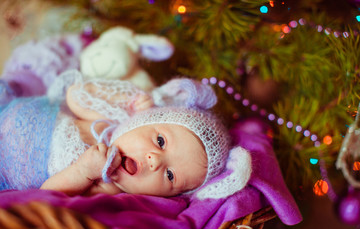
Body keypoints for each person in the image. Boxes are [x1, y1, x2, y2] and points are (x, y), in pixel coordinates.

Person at [1, 69, 253, 200]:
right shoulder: (108, 123)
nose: (155, 160)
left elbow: (47, 195)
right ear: (142, 122)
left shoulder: (108, 186)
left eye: (170, 175)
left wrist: (82, 172)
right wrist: (126, 103)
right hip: (13, 112)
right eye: (161, 141)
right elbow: (76, 95)